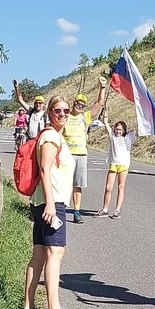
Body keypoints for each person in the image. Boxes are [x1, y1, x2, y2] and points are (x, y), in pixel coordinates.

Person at [22, 95, 82, 309]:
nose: (63, 114)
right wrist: (50, 203)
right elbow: (45, 171)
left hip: (43, 202)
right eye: (58, 110)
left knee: (39, 254)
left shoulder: (54, 136)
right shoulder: (50, 137)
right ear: (49, 112)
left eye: (66, 111)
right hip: (51, 203)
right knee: (55, 254)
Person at [63, 77, 106, 224]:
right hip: (66, 156)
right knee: (63, 183)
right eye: (78, 103)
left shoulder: (85, 117)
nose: (80, 106)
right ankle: (59, 209)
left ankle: (76, 211)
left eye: (82, 105)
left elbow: (99, 104)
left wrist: (102, 87)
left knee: (77, 185)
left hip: (81, 156)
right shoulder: (66, 116)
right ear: (73, 103)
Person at [96, 108, 135, 219]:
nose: (118, 131)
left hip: (123, 165)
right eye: (117, 129)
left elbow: (140, 131)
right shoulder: (112, 136)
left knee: (120, 187)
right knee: (108, 187)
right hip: (113, 164)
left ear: (124, 130)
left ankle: (117, 210)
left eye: (120, 130)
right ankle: (105, 209)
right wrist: (106, 113)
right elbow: (105, 122)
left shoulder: (128, 137)